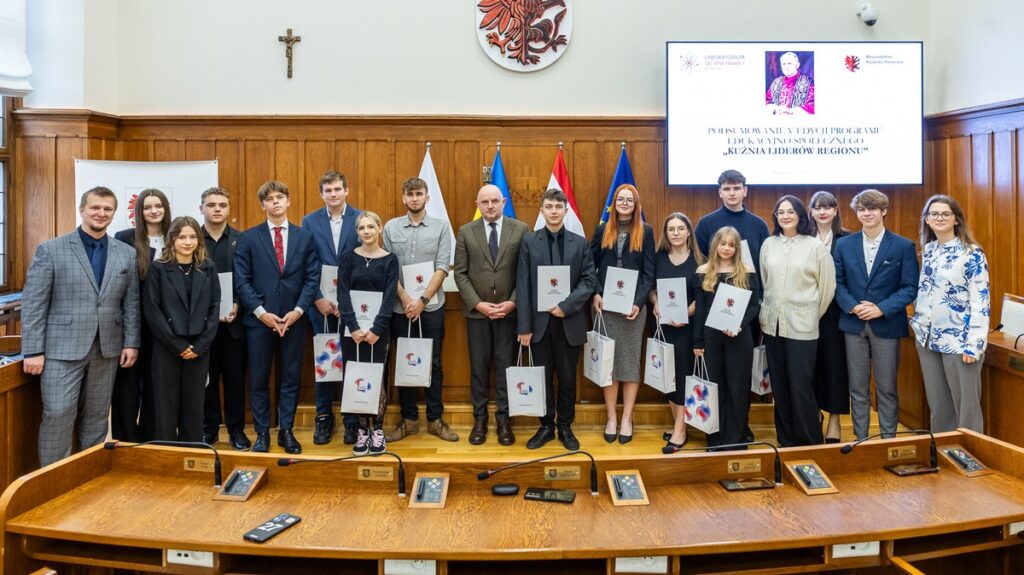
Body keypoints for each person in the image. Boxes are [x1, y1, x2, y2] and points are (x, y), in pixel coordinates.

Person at [22, 187, 141, 466]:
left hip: (107, 349)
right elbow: (34, 304)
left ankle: (90, 475)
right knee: (58, 414)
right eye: (95, 208)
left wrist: (131, 342)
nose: (101, 213)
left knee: (97, 418)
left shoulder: (126, 253)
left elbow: (131, 303)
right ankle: (54, 481)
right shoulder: (51, 250)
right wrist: (33, 350)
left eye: (107, 209)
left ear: (114, 213)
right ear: (82, 210)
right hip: (60, 350)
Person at [234, 180, 320, 454]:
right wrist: (262, 313)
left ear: (288, 201)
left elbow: (312, 278)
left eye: (280, 197)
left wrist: (297, 311)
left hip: (295, 320)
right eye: (269, 199)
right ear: (263, 205)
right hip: (259, 322)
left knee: (291, 377)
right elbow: (242, 281)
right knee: (259, 378)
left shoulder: (305, 237)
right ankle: (262, 433)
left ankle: (286, 431)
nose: (275, 202)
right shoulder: (248, 238)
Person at [833, 189, 919, 440]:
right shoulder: (844, 244)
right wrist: (852, 306)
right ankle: (861, 441)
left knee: (887, 388)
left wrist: (881, 308)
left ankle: (887, 441)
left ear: (884, 211)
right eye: (861, 209)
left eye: (872, 208)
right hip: (853, 323)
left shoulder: (903, 246)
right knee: (857, 388)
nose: (866, 213)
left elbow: (910, 287)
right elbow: (836, 282)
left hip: (887, 325)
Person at [517, 188, 597, 450]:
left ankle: (565, 426)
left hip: (568, 321)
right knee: (541, 379)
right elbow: (523, 284)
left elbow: (589, 281)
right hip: (538, 324)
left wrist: (566, 306)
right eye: (549, 206)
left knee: (567, 379)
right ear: (541, 211)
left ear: (566, 210)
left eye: (558, 207)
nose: (553, 211)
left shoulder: (580, 243)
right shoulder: (529, 241)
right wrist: (524, 327)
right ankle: (545, 427)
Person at [383, 177, 458, 443]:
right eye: (410, 194)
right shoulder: (391, 227)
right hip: (400, 308)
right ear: (403, 198)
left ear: (427, 197)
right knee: (405, 364)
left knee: (433, 363)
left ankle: (435, 420)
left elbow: (442, 267)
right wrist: (405, 298)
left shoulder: (441, 227)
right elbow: (388, 268)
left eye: (419, 194)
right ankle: (409, 420)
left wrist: (422, 301)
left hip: (431, 308)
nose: (414, 198)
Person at [453, 184, 528, 446]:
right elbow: (460, 273)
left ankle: (504, 421)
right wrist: (478, 304)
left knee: (506, 368)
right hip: (478, 315)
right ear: (477, 204)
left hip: (509, 314)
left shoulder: (521, 229)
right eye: (484, 202)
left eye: (495, 201)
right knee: (479, 368)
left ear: (504, 202)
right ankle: (480, 420)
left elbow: (526, 272)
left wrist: (513, 302)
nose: (490, 206)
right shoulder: (466, 231)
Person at [759, 196, 835, 447]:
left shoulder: (815, 247)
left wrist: (810, 315)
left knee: (800, 386)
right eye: (781, 212)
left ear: (801, 215)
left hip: (803, 327)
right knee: (779, 386)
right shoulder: (768, 244)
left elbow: (827, 288)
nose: (785, 216)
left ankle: (809, 441)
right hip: (772, 326)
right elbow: (765, 283)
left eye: (791, 211)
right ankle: (786, 440)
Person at [911, 195, 989, 433]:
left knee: (966, 411)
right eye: (934, 214)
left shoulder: (972, 254)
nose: (939, 218)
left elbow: (980, 301)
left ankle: (970, 454)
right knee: (940, 408)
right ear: (927, 219)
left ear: (956, 219)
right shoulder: (929, 250)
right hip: (927, 339)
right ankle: (944, 453)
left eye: (946, 214)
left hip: (960, 342)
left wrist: (974, 344)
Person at [143, 216, 221, 442]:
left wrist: (200, 345)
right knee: (165, 403)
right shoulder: (158, 268)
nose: (188, 242)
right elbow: (153, 309)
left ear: (199, 239)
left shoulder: (208, 267)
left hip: (199, 348)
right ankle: (167, 451)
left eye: (192, 237)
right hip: (166, 346)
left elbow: (214, 306)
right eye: (182, 237)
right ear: (172, 240)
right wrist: (177, 344)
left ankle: (191, 449)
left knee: (194, 403)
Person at [589, 183, 655, 445]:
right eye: (620, 199)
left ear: (636, 204)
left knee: (629, 362)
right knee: (608, 363)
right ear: (614, 203)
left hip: (632, 310)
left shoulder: (646, 231)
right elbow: (590, 266)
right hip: (605, 306)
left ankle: (627, 418)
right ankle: (611, 417)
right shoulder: (601, 230)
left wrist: (638, 302)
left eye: (629, 200)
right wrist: (596, 293)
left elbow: (649, 273)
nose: (625, 203)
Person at [302, 170, 364, 446]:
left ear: (346, 190)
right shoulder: (309, 221)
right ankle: (324, 417)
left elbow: (366, 260)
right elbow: (305, 262)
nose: (333, 194)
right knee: (326, 362)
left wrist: (349, 304)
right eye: (328, 190)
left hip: (353, 306)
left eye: (338, 189)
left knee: (351, 362)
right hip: (321, 306)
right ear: (322, 194)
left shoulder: (360, 218)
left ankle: (351, 420)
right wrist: (317, 298)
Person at [692, 227, 761, 449]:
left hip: (739, 337)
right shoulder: (703, 271)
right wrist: (697, 341)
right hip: (711, 338)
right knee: (715, 387)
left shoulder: (747, 271)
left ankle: (736, 440)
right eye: (723, 243)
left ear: (737, 248)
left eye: (732, 245)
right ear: (716, 245)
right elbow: (700, 310)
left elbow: (753, 306)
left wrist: (738, 325)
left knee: (738, 388)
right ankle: (715, 439)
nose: (726, 248)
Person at [337, 211, 400, 454]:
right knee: (356, 377)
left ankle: (378, 430)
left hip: (378, 332)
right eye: (362, 228)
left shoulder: (390, 260)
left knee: (377, 378)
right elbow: (343, 294)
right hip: (352, 332)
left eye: (371, 227)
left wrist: (376, 329)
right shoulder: (348, 258)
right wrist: (353, 327)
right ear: (357, 232)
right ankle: (362, 431)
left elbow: (389, 297)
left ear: (379, 228)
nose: (366, 231)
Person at [112, 188, 171, 442]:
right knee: (127, 384)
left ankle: (152, 436)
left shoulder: (175, 236)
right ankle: (125, 437)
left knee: (157, 384)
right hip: (133, 323)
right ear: (139, 211)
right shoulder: (125, 238)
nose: (153, 211)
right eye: (147, 207)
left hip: (165, 326)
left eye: (158, 206)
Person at [199, 187, 250, 450]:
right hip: (200, 326)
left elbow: (248, 277)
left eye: (222, 205)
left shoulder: (242, 239)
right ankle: (208, 430)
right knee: (205, 381)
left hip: (234, 325)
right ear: (201, 209)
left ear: (229, 209)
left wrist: (238, 304)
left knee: (234, 381)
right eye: (211, 205)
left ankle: (236, 430)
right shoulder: (192, 238)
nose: (217, 209)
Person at [650, 212, 703, 451]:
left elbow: (705, 294)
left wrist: (689, 311)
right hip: (664, 327)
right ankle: (678, 424)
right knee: (667, 376)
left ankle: (680, 430)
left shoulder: (700, 260)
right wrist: (656, 302)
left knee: (682, 376)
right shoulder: (658, 258)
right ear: (666, 233)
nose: (676, 233)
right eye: (671, 229)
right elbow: (650, 288)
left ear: (689, 231)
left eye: (681, 228)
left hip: (688, 329)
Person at [809, 191, 850, 443]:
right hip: (806, 313)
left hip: (836, 315)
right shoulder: (803, 237)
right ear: (811, 211)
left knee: (835, 367)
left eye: (827, 207)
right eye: (817, 207)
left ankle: (834, 420)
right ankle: (813, 414)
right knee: (810, 367)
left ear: (835, 210)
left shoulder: (847, 239)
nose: (822, 212)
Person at [694, 170, 770, 276]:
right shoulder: (705, 224)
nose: (732, 193)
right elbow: (698, 260)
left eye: (737, 188)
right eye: (727, 189)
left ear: (745, 191)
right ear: (720, 192)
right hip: (713, 284)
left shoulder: (759, 225)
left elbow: (766, 263)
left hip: (751, 284)